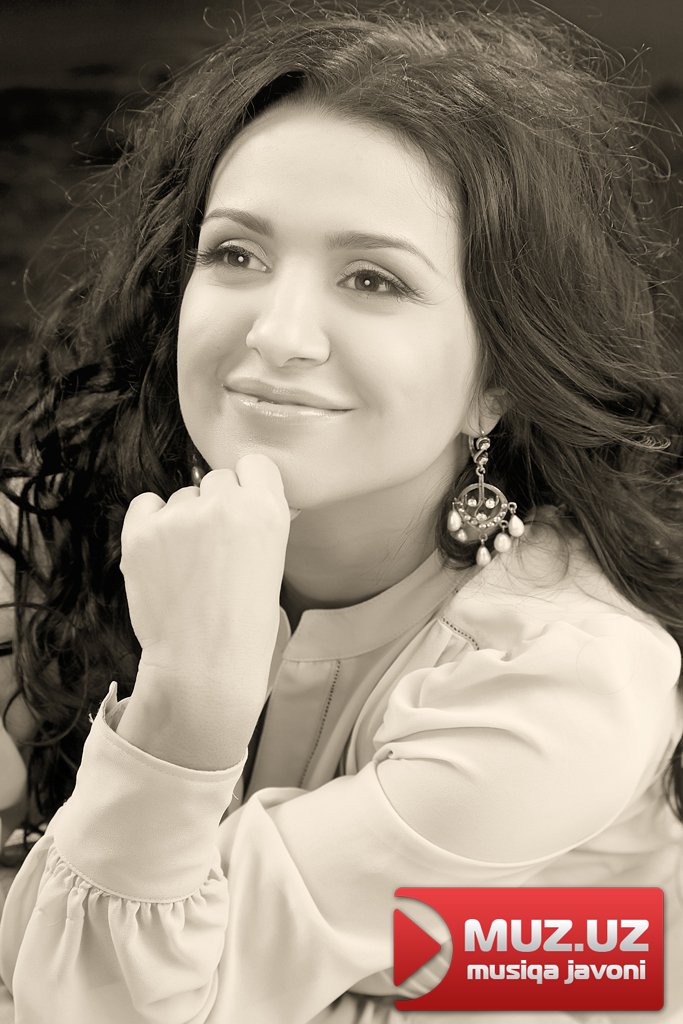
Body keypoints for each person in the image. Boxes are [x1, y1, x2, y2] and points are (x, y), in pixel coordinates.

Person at [0, 0, 681, 1020]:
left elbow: (88, 1001)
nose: (277, 333)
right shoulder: (58, 512)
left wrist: (186, 708)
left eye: (373, 279)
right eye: (235, 254)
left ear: (499, 377)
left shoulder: (566, 681)